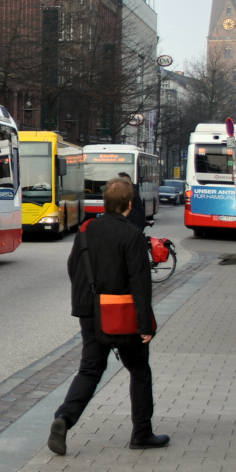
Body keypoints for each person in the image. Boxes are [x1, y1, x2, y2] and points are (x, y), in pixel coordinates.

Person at [48, 176, 167, 456]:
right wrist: (144, 323)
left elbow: (72, 268)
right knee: (139, 371)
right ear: (129, 204)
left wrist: (86, 302)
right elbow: (140, 282)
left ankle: (64, 419)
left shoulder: (86, 231)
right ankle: (141, 433)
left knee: (90, 369)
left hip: (91, 314)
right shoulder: (132, 235)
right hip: (123, 315)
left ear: (105, 202)